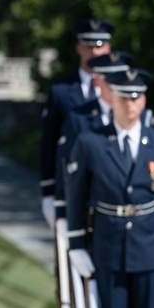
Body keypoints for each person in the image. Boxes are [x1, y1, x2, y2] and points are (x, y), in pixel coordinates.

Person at [65, 69, 154, 308]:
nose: (130, 104)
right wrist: (76, 244)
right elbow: (76, 196)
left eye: (136, 97)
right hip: (108, 244)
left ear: (144, 101)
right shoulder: (91, 142)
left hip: (149, 244)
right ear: (111, 97)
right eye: (124, 97)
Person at [40, 18, 116, 227]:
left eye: (99, 45)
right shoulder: (61, 91)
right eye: (89, 45)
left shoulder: (119, 92)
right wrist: (48, 192)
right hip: (72, 187)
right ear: (78, 48)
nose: (94, 51)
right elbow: (49, 144)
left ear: (108, 48)